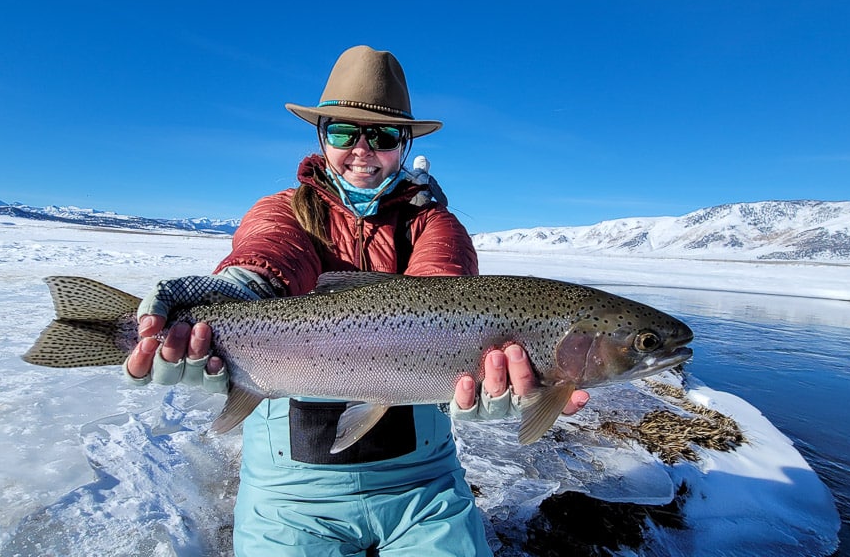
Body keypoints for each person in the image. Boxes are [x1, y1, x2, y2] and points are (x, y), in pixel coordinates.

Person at [124, 45, 589, 556]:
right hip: (288, 492)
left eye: (383, 135)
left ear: (405, 144)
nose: (362, 149)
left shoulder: (435, 224)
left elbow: (444, 291)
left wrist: (496, 385)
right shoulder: (283, 210)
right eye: (344, 132)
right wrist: (231, 293)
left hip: (422, 485)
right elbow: (268, 256)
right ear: (322, 137)